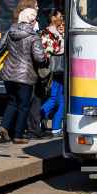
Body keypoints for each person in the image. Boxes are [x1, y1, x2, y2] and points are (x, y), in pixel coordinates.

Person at [0, 6, 47, 144]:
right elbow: (39, 57)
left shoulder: (11, 31)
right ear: (31, 21)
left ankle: (4, 126)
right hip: (25, 74)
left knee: (12, 101)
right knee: (24, 105)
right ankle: (18, 135)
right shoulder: (33, 36)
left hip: (9, 73)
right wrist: (44, 60)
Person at [38, 8, 66, 137]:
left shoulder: (52, 31)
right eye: (59, 16)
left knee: (60, 99)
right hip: (55, 70)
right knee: (55, 98)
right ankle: (34, 119)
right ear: (54, 18)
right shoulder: (49, 32)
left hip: (59, 71)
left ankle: (56, 128)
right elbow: (54, 50)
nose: (61, 18)